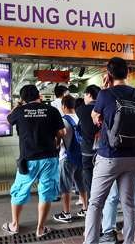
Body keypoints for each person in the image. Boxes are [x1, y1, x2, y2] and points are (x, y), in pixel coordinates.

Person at [84, 57, 135, 244]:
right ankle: (129, 241)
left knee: (95, 203)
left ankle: (91, 242)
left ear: (109, 74)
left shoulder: (105, 94)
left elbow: (95, 116)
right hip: (133, 156)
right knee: (129, 204)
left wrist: (104, 88)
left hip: (109, 156)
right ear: (128, 72)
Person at [2, 85, 66, 238]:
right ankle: (40, 229)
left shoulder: (19, 111)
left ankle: (15, 225)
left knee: (19, 191)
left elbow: (8, 119)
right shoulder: (52, 110)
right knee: (46, 193)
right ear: (40, 96)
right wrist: (57, 142)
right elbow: (62, 132)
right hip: (49, 158)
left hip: (28, 159)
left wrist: (18, 105)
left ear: (23, 99)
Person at [53, 95, 89, 223]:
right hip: (81, 155)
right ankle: (85, 209)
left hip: (67, 157)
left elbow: (57, 143)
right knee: (82, 183)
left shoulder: (62, 121)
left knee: (65, 186)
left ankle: (66, 213)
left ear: (63, 106)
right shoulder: (81, 118)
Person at [76, 85, 101, 199]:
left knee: (89, 178)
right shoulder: (104, 108)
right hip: (103, 151)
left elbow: (79, 129)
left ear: (89, 95)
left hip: (87, 150)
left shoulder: (81, 110)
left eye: (85, 95)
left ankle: (93, 203)